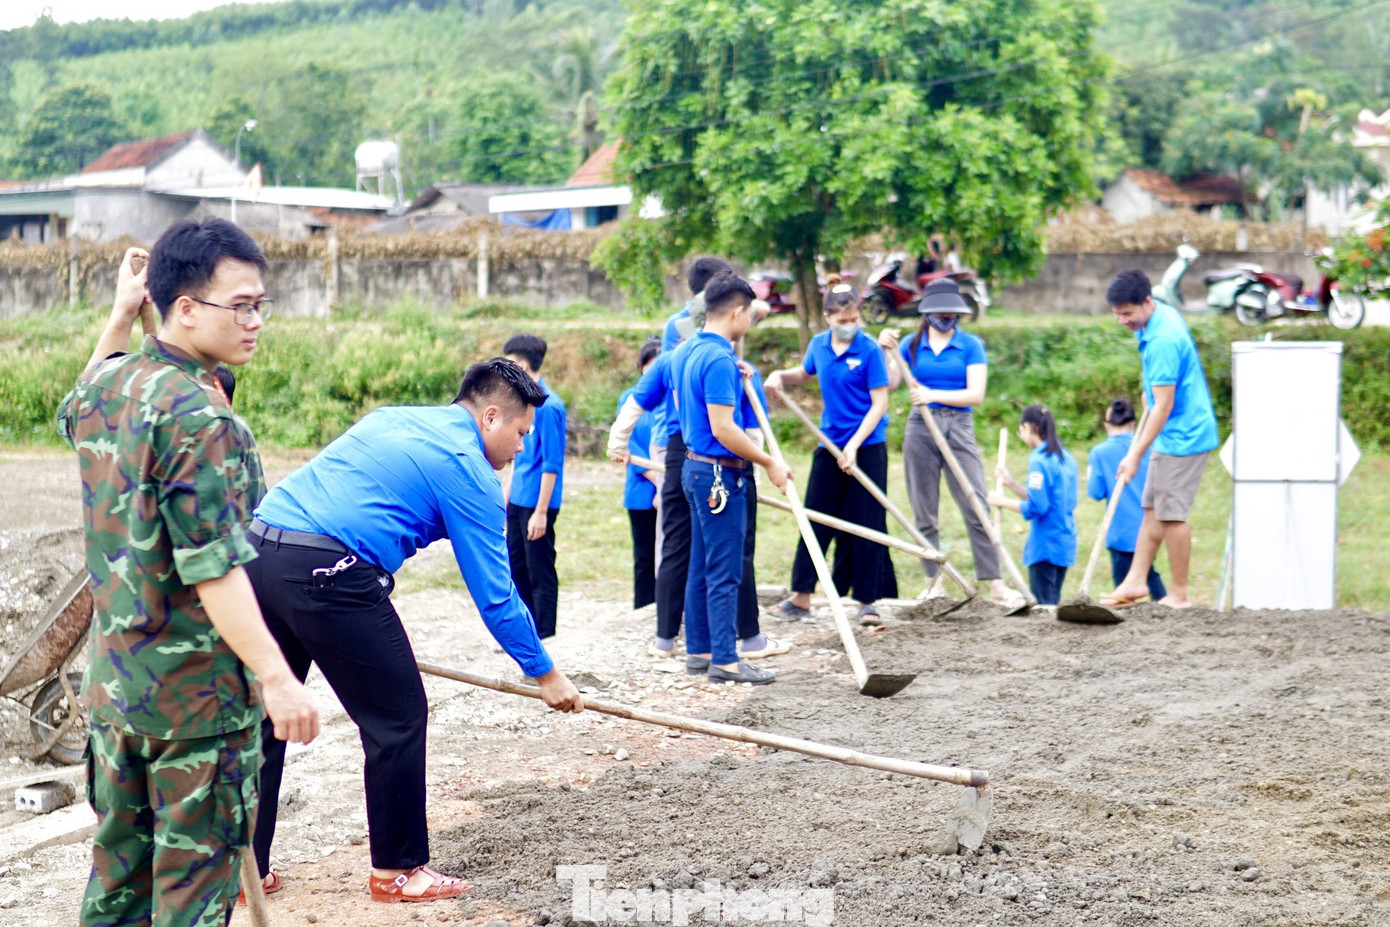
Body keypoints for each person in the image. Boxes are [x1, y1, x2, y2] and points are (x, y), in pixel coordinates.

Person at [245, 357, 584, 903]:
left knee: (263, 715)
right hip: (327, 573)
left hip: (259, 550)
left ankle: (242, 870)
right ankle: (398, 871)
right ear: (491, 417)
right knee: (398, 716)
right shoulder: (468, 469)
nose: (521, 448)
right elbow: (496, 597)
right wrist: (544, 673)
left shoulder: (395, 417)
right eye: (521, 434)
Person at [57, 225, 319, 927]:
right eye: (242, 305)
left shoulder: (109, 387)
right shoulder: (205, 418)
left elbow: (72, 408)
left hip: (118, 701)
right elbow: (215, 569)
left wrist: (119, 315)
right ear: (186, 307)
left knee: (117, 891)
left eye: (262, 304)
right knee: (189, 903)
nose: (256, 321)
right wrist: (276, 675)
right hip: (194, 712)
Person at [608, 296, 789, 661]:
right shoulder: (710, 358)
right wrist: (765, 462)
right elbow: (732, 429)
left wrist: (617, 440)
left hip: (687, 457)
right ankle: (731, 650)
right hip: (715, 459)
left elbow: (635, 401)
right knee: (727, 558)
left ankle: (686, 646)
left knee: (690, 552)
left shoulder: (681, 357)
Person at [670, 271, 792, 684]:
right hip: (720, 475)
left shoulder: (687, 351)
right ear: (738, 312)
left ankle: (700, 651)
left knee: (701, 565)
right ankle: (724, 659)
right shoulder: (719, 359)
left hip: (693, 468)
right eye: (750, 315)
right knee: (723, 570)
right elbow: (724, 428)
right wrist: (770, 462)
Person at [878, 278, 1023, 606]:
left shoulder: (971, 345)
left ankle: (996, 584)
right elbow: (889, 382)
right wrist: (884, 349)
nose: (946, 317)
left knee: (976, 503)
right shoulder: (911, 347)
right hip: (921, 428)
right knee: (924, 509)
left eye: (951, 313)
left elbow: (976, 394)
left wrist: (932, 394)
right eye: (939, 312)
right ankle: (935, 583)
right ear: (927, 312)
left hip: (958, 426)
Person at [764, 274, 898, 626]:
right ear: (828, 318)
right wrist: (780, 375)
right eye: (842, 321)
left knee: (866, 521)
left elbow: (879, 404)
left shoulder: (869, 350)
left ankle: (867, 600)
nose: (849, 326)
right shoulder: (819, 345)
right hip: (829, 443)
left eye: (854, 320)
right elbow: (806, 373)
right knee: (816, 516)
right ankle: (802, 597)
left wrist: (853, 446)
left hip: (867, 446)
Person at [1104, 270, 1219, 609]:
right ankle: (1136, 581)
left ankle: (1180, 594)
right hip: (1170, 431)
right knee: (1151, 508)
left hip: (1184, 436)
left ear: (1147, 302)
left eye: (1128, 313)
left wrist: (1134, 454)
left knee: (1171, 515)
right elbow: (1161, 390)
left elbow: (1164, 406)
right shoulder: (1160, 316)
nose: (1122, 320)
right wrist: (1150, 391)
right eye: (1117, 314)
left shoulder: (1163, 340)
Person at [504, 334, 567, 639]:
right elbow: (517, 455)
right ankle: (525, 633)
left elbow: (552, 463)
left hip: (538, 502)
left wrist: (541, 511)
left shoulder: (550, 406)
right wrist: (507, 495)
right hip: (518, 499)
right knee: (516, 567)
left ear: (523, 366)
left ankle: (545, 636)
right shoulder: (521, 402)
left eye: (510, 364)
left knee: (540, 569)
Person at [989, 405, 1079, 606]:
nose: (1021, 436)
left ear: (1029, 427)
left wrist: (1001, 501)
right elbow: (1047, 497)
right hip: (1064, 540)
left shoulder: (1039, 460)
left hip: (1045, 544)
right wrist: (1011, 484)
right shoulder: (1066, 457)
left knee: (1043, 608)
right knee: (1053, 602)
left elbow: (1038, 507)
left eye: (1020, 431)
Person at [1087, 398, 1167, 602]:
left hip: (1120, 531)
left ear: (1107, 425)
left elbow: (1095, 492)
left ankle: (1162, 609)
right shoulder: (1150, 447)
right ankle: (1165, 610)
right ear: (1133, 423)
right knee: (1148, 573)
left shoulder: (1099, 452)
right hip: (1149, 526)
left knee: (1126, 589)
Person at [622, 338, 664, 610]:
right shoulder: (629, 399)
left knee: (670, 554)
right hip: (642, 490)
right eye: (650, 367)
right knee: (645, 557)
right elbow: (628, 443)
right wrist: (657, 479)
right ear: (641, 368)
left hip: (671, 486)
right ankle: (644, 610)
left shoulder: (671, 398)